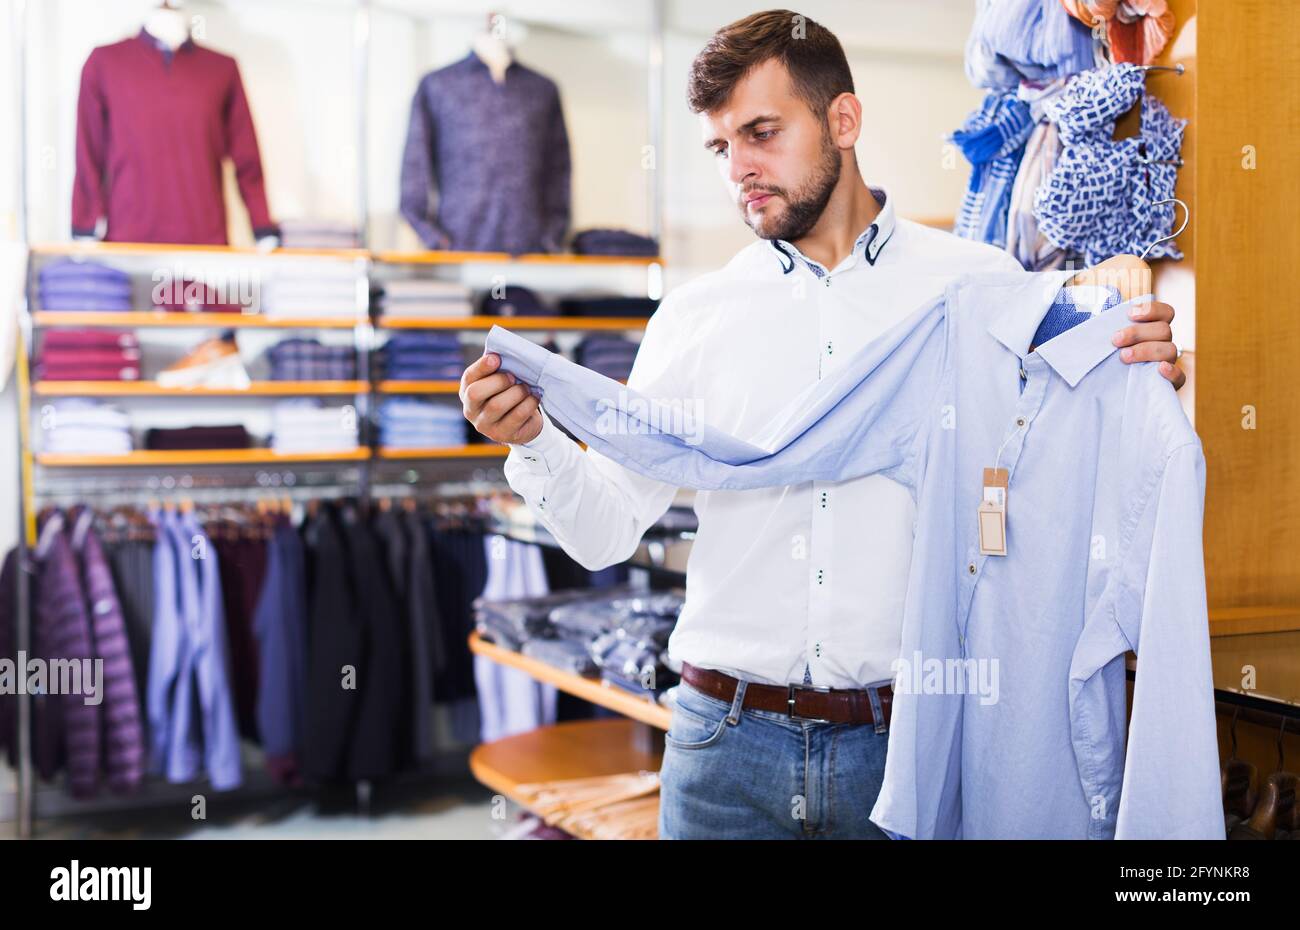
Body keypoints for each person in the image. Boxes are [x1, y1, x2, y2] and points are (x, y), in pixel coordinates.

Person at [459, 10, 1184, 839]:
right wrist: (535, 443)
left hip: (904, 748)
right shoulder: (697, 317)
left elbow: (1061, 471)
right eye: (722, 147)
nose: (741, 170)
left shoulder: (982, 289)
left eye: (761, 133)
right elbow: (604, 532)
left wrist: (1132, 363)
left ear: (844, 119)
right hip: (721, 751)